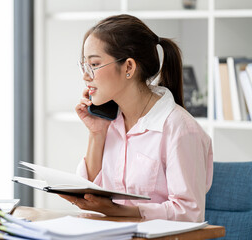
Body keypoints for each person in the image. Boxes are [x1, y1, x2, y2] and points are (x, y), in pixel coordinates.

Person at [60, 14, 213, 222]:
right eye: (84, 66)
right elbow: (90, 202)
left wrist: (119, 211)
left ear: (129, 67)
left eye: (94, 65)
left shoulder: (180, 129)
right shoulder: (110, 123)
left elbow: (189, 213)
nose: (85, 76)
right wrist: (96, 134)